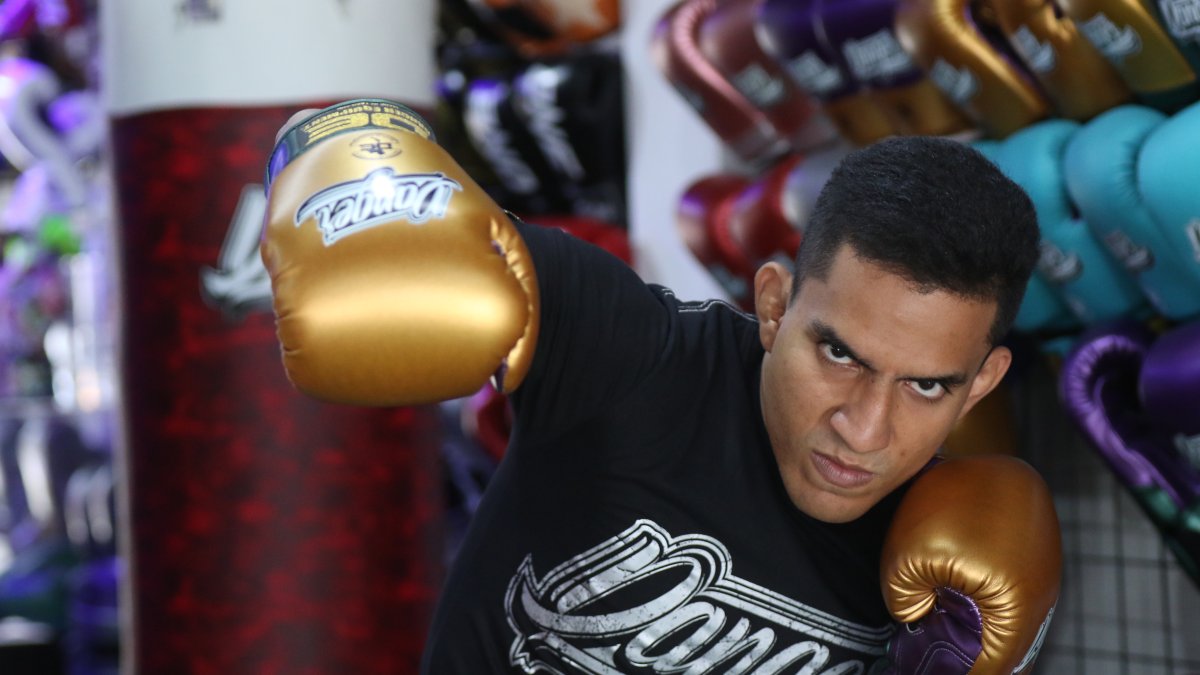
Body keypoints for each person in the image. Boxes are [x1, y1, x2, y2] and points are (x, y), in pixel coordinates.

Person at [261, 99, 1061, 674]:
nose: (863, 427)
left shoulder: (948, 572)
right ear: (775, 304)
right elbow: (348, 149)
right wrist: (357, 180)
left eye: (924, 385)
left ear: (982, 381)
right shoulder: (635, 359)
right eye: (840, 354)